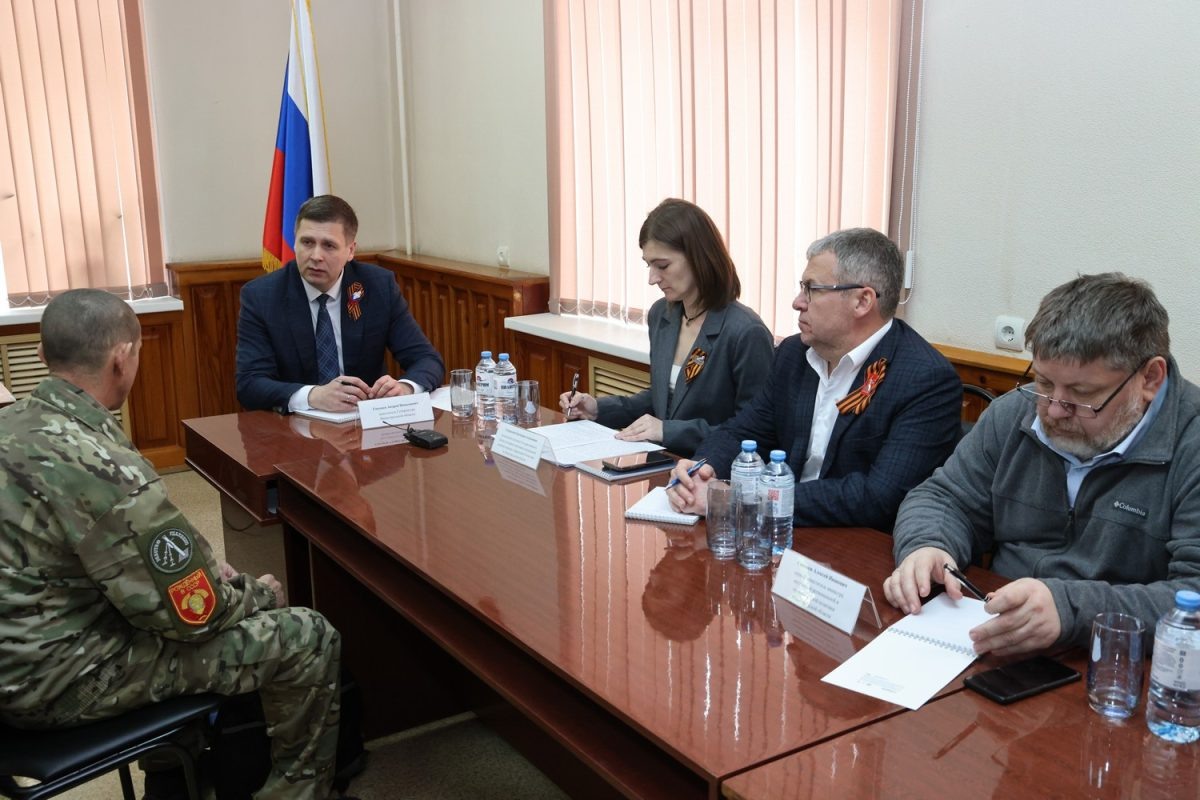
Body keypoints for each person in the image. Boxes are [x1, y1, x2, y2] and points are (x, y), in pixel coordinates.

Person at [0, 290, 343, 799]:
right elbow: (194, 614)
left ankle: (171, 775)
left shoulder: (14, 424)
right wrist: (258, 594)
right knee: (308, 634)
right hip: (56, 684)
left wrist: (197, 569)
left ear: (47, 356)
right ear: (122, 357)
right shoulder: (103, 465)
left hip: (20, 656)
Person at [885, 273, 1200, 655]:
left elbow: (1192, 597)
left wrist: (1071, 610)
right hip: (990, 634)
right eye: (1045, 383)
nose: (1053, 409)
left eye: (1082, 395)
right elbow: (944, 498)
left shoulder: (1191, 444)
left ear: (1150, 378)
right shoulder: (1014, 414)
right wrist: (928, 545)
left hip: (1117, 666)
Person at [667, 227, 961, 531]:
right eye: (801, 287)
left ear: (862, 301)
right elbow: (744, 430)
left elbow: (878, 498)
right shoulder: (794, 354)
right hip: (782, 532)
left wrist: (745, 500)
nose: (797, 302)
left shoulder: (926, 380)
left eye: (812, 289)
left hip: (855, 547)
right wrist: (702, 469)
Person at [558, 198, 774, 456]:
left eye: (662, 266)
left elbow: (754, 433)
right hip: (660, 462)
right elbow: (663, 401)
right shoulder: (662, 315)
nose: (652, 279)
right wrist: (598, 409)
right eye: (648, 265)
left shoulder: (745, 332)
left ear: (699, 257)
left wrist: (668, 431)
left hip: (710, 474)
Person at [236, 194, 444, 413]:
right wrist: (313, 395)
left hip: (363, 426)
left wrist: (405, 388)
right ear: (294, 242)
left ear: (350, 251)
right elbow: (250, 383)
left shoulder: (377, 287)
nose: (316, 255)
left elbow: (426, 359)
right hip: (293, 429)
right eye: (307, 242)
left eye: (329, 246)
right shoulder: (262, 296)